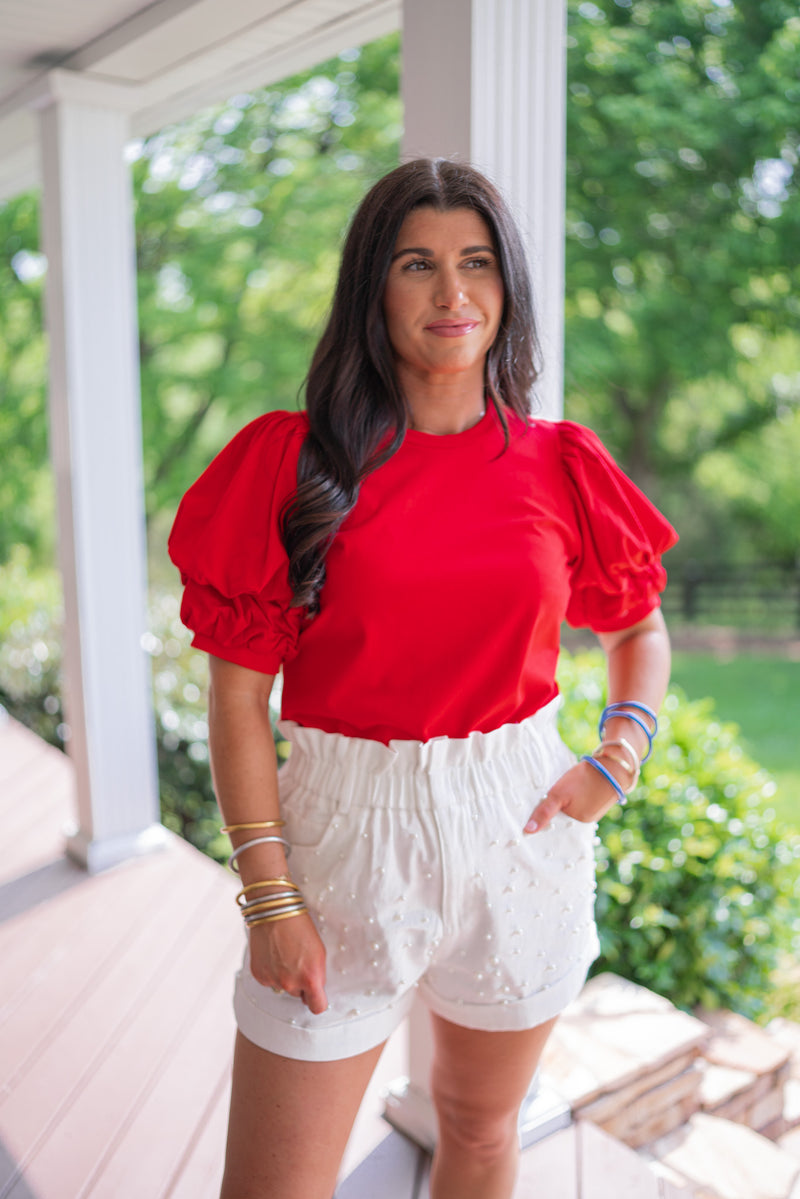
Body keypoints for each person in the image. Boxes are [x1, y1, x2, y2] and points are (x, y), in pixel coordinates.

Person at [168, 157, 677, 1199]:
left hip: (521, 826)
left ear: (505, 287)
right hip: (339, 842)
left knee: (481, 1135)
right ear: (374, 289)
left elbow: (639, 628)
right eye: (417, 264)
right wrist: (269, 895)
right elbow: (235, 696)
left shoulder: (560, 462)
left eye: (476, 263)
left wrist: (616, 755)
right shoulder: (290, 463)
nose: (452, 294)